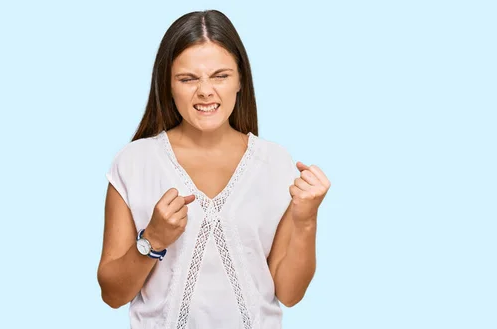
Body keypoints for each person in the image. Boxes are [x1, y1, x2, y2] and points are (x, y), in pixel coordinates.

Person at [97, 9, 331, 329]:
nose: (205, 90)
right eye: (188, 78)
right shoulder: (133, 164)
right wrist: (152, 240)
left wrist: (306, 219)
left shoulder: (275, 163)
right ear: (168, 85)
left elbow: (289, 294)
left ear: (240, 81)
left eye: (220, 76)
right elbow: (112, 294)